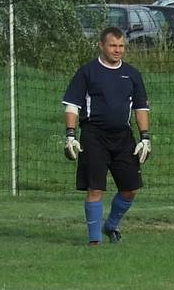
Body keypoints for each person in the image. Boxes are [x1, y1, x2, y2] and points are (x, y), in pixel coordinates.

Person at [62, 28, 151, 245]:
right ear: (101, 46)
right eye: (113, 46)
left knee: (130, 190)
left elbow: (140, 108)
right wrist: (70, 135)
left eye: (121, 46)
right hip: (94, 136)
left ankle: (110, 226)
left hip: (123, 138)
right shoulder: (87, 72)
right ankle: (94, 241)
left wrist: (145, 138)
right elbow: (72, 105)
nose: (117, 50)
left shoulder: (132, 74)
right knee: (96, 188)